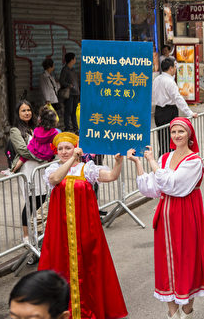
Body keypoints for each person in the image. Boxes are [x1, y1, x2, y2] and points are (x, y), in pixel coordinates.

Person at [129, 118, 204, 319]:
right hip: (165, 218)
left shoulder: (194, 161)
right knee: (166, 264)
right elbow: (152, 188)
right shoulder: (165, 158)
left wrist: (152, 161)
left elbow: (173, 185)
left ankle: (187, 312)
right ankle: (172, 314)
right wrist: (139, 163)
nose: (177, 135)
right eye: (173, 132)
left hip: (187, 215)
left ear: (189, 134)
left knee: (187, 261)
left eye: (181, 131)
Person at [39, 132, 127, 319]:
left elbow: (111, 176)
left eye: (68, 148)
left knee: (89, 266)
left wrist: (118, 162)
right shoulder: (53, 169)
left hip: (86, 227)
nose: (64, 151)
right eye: (60, 149)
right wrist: (72, 159)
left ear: (75, 148)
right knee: (60, 265)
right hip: (60, 229)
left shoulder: (87, 169)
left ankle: (89, 308)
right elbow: (55, 180)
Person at [8, 100, 47, 245]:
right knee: (30, 202)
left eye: (28, 110)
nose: (27, 113)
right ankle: (26, 236)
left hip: (40, 169)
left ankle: (39, 231)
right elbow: (23, 150)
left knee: (42, 199)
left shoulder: (36, 127)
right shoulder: (15, 130)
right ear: (18, 113)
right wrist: (41, 156)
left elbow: (46, 144)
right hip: (27, 170)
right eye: (23, 111)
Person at [153, 57, 195, 154]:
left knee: (162, 139)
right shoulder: (169, 82)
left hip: (158, 111)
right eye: (175, 66)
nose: (176, 69)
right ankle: (168, 160)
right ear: (171, 68)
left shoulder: (156, 79)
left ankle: (162, 159)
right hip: (169, 112)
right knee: (170, 140)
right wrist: (190, 113)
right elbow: (177, 98)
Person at [14, 107, 59, 173]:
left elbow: (33, 142)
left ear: (40, 120)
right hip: (47, 155)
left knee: (22, 158)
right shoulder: (54, 132)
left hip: (34, 151)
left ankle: (13, 170)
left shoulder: (36, 130)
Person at [59, 52, 80, 132]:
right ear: (71, 60)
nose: (75, 60)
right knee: (68, 111)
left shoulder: (73, 70)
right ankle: (67, 127)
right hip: (69, 94)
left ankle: (75, 128)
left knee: (74, 111)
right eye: (74, 58)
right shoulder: (65, 70)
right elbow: (61, 81)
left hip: (76, 93)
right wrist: (68, 85)